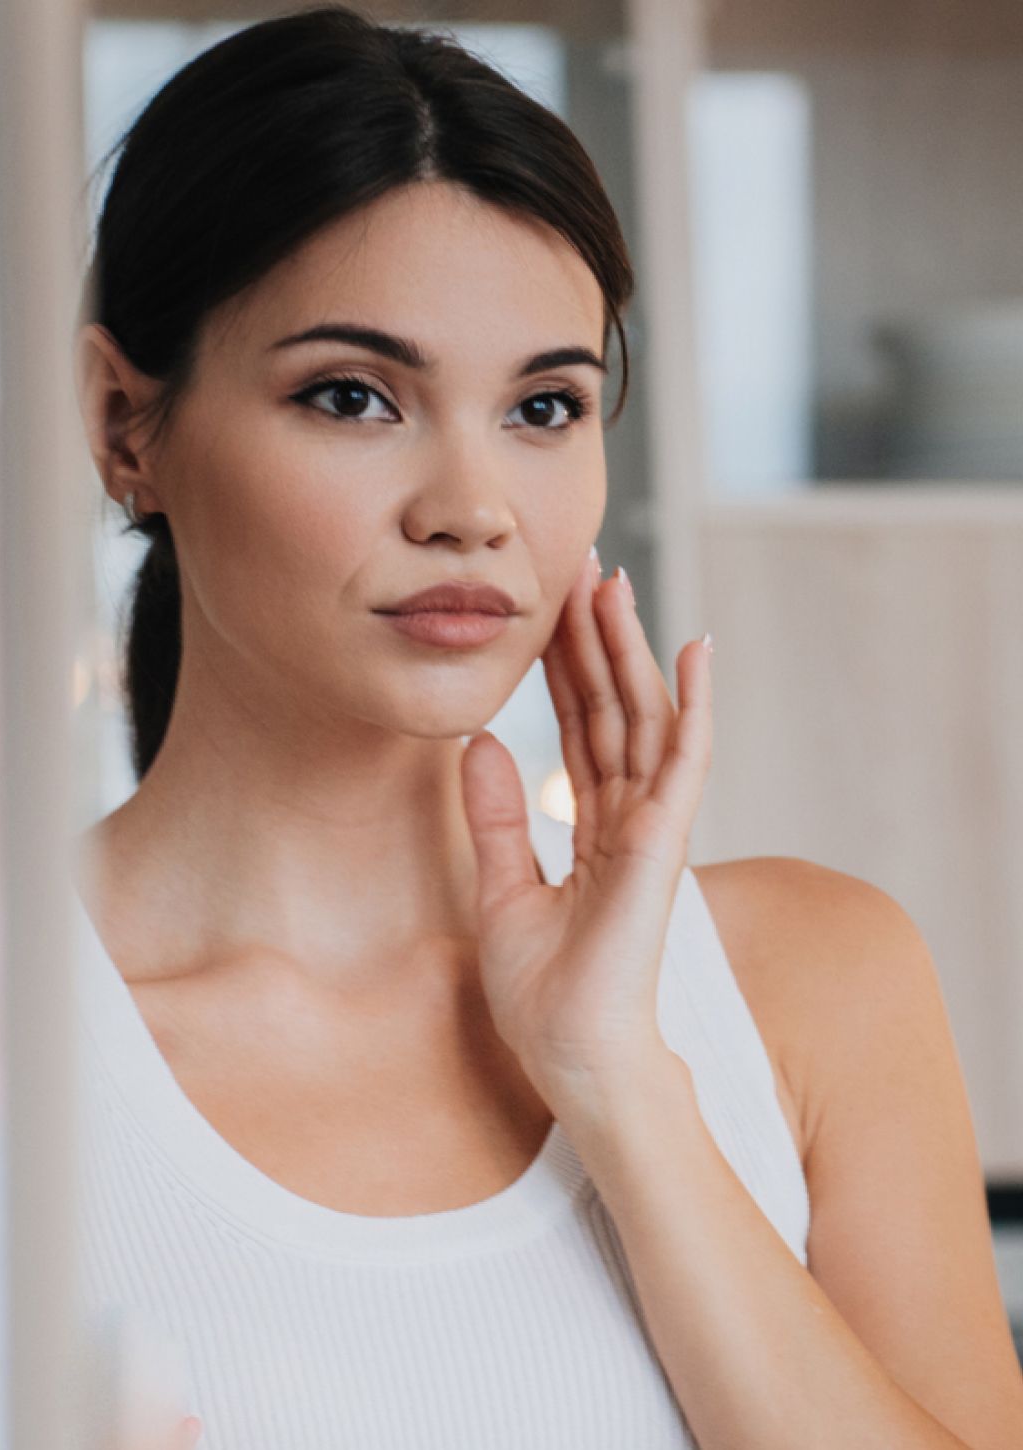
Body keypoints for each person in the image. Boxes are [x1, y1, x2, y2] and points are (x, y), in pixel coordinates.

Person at [71, 7, 1023, 1449]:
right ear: (124, 423)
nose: (473, 506)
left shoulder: (816, 983)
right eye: (354, 395)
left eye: (544, 405)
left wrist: (622, 1083)